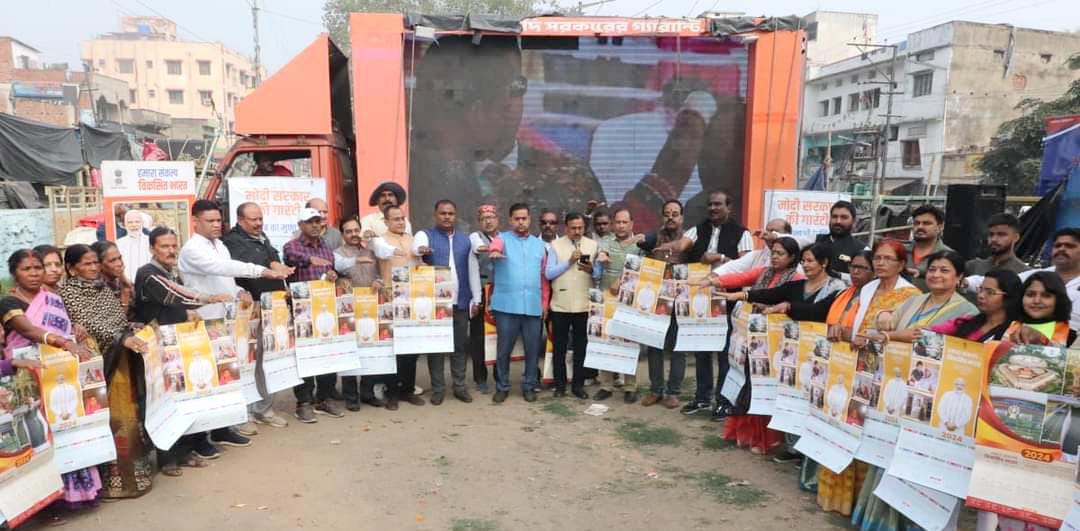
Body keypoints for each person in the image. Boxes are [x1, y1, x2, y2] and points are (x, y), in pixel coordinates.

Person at [408, 36, 605, 232]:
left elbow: (598, 241)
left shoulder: (569, 175)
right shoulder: (412, 172)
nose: (509, 100)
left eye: (516, 86)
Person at [817, 239, 920, 519]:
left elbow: (909, 337)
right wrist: (843, 332)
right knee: (851, 424)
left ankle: (866, 503)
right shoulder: (869, 288)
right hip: (857, 366)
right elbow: (858, 327)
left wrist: (873, 338)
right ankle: (843, 498)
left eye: (888, 259)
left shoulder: (911, 295)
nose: (881, 263)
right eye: (878, 258)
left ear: (901, 264)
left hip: (886, 372)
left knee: (873, 433)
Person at [2, 249, 106, 517]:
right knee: (40, 438)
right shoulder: (9, 302)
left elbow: (67, 328)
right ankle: (47, 503)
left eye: (38, 268)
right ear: (15, 273)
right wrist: (63, 341)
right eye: (27, 269)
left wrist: (75, 332)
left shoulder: (54, 298)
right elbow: (28, 330)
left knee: (68, 428)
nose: (34, 273)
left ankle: (80, 492)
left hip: (60, 373)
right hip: (29, 379)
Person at [179, 199, 286, 441]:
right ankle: (220, 427)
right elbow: (221, 268)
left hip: (230, 318)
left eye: (218, 220)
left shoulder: (219, 244)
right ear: (195, 221)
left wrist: (239, 291)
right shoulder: (191, 249)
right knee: (215, 374)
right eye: (210, 221)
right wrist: (261, 270)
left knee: (237, 368)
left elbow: (226, 280)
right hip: (207, 320)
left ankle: (235, 420)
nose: (216, 225)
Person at [707, 237, 804, 455]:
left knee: (764, 386)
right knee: (747, 382)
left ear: (792, 257)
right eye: (773, 253)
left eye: (780, 253)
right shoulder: (764, 272)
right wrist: (714, 280)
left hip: (775, 342)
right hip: (753, 336)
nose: (775, 257)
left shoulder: (797, 279)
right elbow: (740, 277)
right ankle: (746, 433)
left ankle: (767, 438)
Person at [220, 201, 294, 428]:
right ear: (240, 220)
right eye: (253, 219)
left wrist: (281, 270)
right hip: (247, 309)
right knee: (245, 359)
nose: (259, 223)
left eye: (260, 218)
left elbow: (271, 259)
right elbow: (249, 266)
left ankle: (264, 408)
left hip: (272, 306)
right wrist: (270, 267)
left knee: (266, 358)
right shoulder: (232, 241)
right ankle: (244, 412)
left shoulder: (262, 237)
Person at [414, 200, 480, 405]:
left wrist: (476, 298)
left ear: (455, 216)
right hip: (435, 305)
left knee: (459, 347)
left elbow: (473, 271)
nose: (446, 217)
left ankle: (459, 387)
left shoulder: (465, 240)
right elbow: (416, 248)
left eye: (450, 213)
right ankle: (438, 389)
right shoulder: (426, 235)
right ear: (435, 215)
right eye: (442, 213)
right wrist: (421, 250)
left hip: (460, 302)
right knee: (436, 348)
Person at [284, 207, 343, 422]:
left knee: (327, 355)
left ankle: (324, 398)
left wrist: (332, 274)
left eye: (318, 221)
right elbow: (292, 257)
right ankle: (304, 403)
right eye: (310, 222)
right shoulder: (292, 246)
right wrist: (310, 259)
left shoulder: (326, 249)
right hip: (302, 313)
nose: (315, 225)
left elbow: (330, 273)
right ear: (300, 225)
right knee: (305, 358)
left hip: (324, 311)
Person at [486, 202, 547, 403]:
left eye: (524, 218)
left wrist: (544, 304)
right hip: (506, 306)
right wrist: (494, 251)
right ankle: (502, 387)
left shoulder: (539, 245)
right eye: (517, 219)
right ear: (510, 220)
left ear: (529, 219)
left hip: (532, 306)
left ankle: (529, 385)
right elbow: (494, 247)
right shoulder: (501, 239)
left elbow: (544, 278)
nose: (521, 222)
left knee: (532, 350)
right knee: (504, 350)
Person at [968, 227, 1080, 334]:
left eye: (1070, 246)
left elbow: (1073, 329)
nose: (1061, 249)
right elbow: (1000, 282)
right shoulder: (1038, 275)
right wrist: (966, 283)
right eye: (1057, 245)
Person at [370, 204, 424, 409]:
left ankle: (407, 390)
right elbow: (383, 253)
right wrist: (396, 250)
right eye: (395, 219)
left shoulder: (413, 240)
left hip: (412, 301)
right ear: (386, 222)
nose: (400, 222)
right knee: (392, 350)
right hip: (390, 301)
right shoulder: (380, 240)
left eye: (402, 218)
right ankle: (391, 392)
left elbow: (419, 264)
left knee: (411, 349)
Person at [637, 200, 690, 409]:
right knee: (654, 346)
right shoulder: (654, 238)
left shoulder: (689, 240)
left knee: (678, 347)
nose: (671, 217)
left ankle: (673, 392)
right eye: (667, 213)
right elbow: (641, 244)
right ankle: (656, 390)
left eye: (675, 214)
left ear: (682, 217)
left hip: (680, 301)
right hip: (656, 300)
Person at [545, 212, 602, 399]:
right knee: (559, 348)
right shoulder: (555, 245)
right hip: (560, 305)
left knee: (581, 348)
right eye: (573, 228)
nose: (577, 231)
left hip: (583, 305)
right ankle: (560, 385)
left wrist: (592, 269)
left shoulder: (593, 245)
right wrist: (569, 262)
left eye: (580, 228)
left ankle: (578, 385)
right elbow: (549, 273)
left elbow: (598, 274)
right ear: (566, 228)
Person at [334, 217, 387, 411]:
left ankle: (367, 392)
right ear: (342, 234)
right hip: (348, 309)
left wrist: (379, 281)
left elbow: (380, 274)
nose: (354, 234)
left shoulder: (370, 252)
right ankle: (350, 396)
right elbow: (339, 269)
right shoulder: (337, 254)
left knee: (370, 350)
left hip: (371, 307)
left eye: (356, 230)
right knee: (349, 351)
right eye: (349, 231)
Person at [594, 207, 644, 403]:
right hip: (606, 299)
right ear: (613, 224)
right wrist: (601, 257)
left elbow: (644, 271)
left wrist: (621, 281)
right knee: (605, 341)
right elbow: (600, 256)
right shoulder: (607, 241)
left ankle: (630, 386)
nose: (621, 226)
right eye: (618, 222)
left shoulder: (640, 245)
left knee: (629, 343)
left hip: (629, 301)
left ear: (631, 224)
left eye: (625, 222)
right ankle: (606, 385)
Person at [875, 250, 978, 344]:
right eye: (932, 270)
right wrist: (882, 314)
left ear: (959, 277)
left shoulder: (968, 311)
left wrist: (895, 336)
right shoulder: (913, 300)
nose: (936, 275)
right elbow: (883, 329)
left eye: (944, 271)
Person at [930, 269, 1022, 342]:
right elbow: (932, 330)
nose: (981, 295)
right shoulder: (968, 321)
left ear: (1009, 297)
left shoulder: (1014, 333)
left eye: (990, 292)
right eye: (980, 289)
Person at [467, 203, 500, 393]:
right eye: (484, 219)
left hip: (501, 292)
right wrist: (476, 299)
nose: (488, 221)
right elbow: (478, 248)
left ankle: (500, 375)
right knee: (478, 337)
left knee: (500, 336)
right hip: (481, 291)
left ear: (497, 219)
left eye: (491, 217)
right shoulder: (475, 237)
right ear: (479, 222)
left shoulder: (504, 237)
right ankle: (480, 378)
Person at [964, 213, 1028, 276]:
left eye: (1001, 234)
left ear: (1016, 237)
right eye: (991, 234)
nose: (994, 239)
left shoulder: (1024, 273)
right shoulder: (972, 267)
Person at [815, 201, 866, 274]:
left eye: (844, 217)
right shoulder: (815, 241)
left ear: (854, 221)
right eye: (834, 217)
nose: (838, 221)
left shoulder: (862, 249)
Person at [905, 204, 953, 283]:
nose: (920, 227)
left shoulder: (948, 256)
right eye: (917, 223)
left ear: (940, 227)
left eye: (926, 223)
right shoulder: (900, 251)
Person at [93, 241, 135, 312]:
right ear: (99, 265)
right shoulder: (96, 288)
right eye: (112, 261)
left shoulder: (121, 281)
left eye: (120, 258)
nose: (119, 263)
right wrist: (125, 299)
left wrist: (125, 280)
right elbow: (115, 318)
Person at [116, 209, 151, 281]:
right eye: (130, 222)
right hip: (126, 284)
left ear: (142, 223)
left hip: (148, 283)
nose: (134, 225)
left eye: (137, 222)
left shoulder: (150, 242)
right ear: (125, 224)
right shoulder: (118, 244)